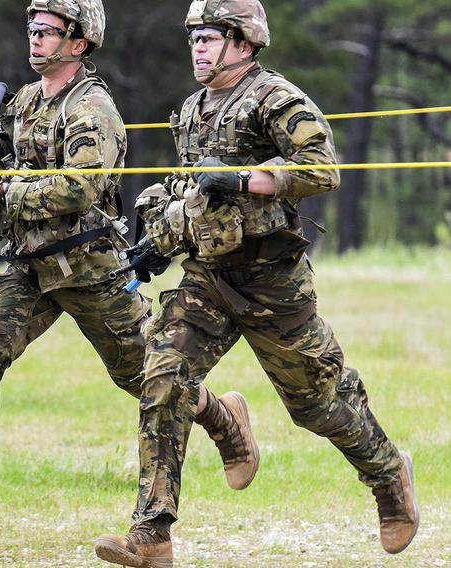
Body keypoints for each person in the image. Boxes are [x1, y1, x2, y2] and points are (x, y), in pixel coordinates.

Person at [0, 0, 258, 541]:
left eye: (48, 31)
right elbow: (19, 164)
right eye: (31, 29)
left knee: (143, 374)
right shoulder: (22, 104)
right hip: (26, 265)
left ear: (79, 42)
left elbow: (83, 186)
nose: (35, 39)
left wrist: (6, 193)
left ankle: (224, 421)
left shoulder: (93, 109)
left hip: (88, 267)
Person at [94, 1, 418, 565]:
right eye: (193, 36)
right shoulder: (194, 108)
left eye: (211, 36)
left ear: (244, 43)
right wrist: (159, 238)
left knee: (319, 405)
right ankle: (152, 534)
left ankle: (389, 476)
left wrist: (248, 177)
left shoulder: (275, 98)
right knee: (163, 378)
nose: (197, 46)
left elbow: (322, 168)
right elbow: (195, 193)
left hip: (273, 282)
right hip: (208, 279)